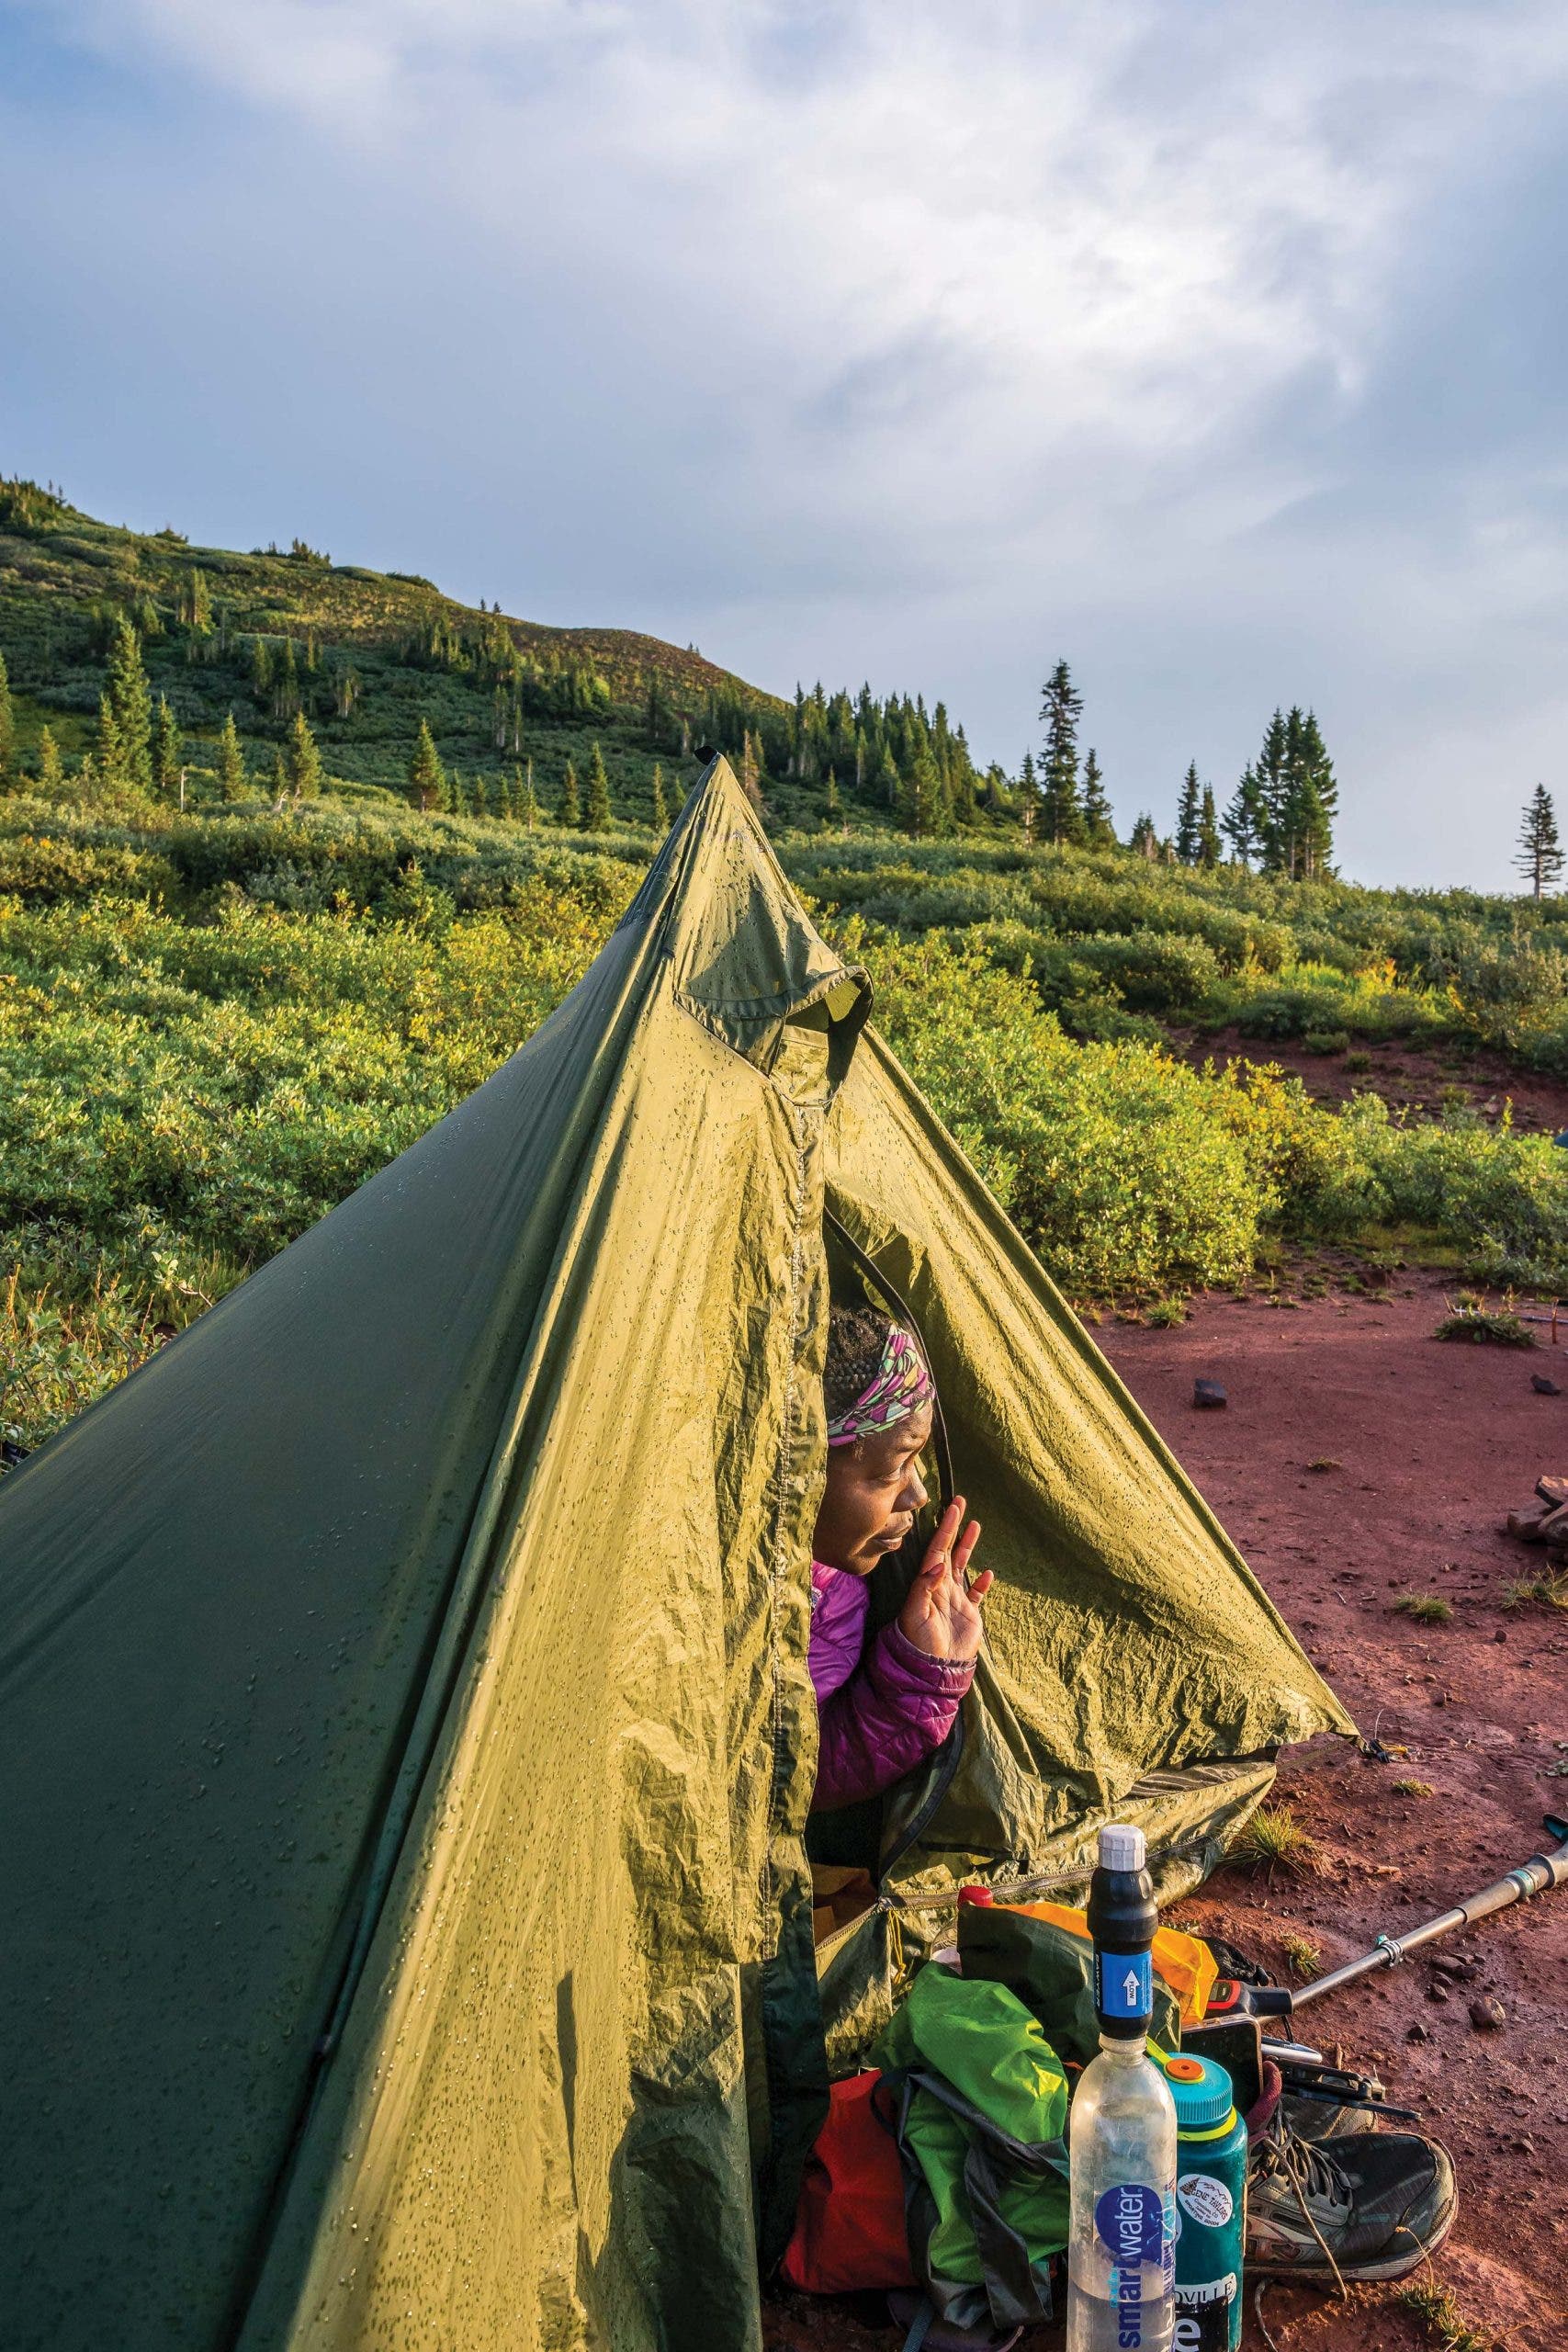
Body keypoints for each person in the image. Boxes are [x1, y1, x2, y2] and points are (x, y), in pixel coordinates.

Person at [809, 1306, 992, 1812]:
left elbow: (795, 1773)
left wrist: (922, 1674)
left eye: (919, 1461)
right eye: (893, 1469)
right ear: (804, 1466)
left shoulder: (840, 1595)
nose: (918, 1494)